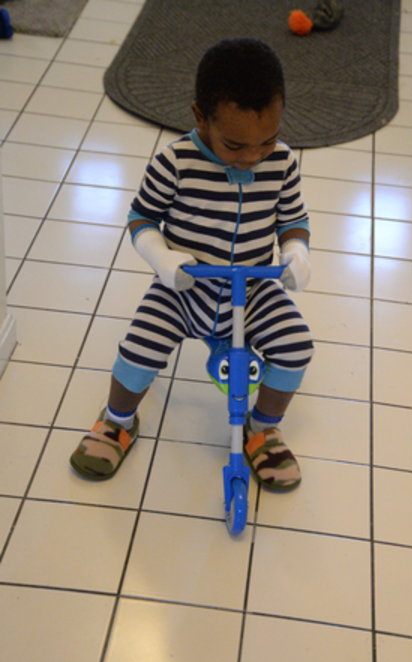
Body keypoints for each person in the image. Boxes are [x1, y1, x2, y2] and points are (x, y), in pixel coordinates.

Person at [70, 38, 314, 491]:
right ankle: (117, 420)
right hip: (184, 288)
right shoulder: (174, 162)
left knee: (297, 346)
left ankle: (262, 428)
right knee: (139, 347)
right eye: (235, 145)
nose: (252, 156)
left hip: (254, 289)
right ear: (201, 117)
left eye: (267, 140)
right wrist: (161, 258)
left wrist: (297, 252)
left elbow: (293, 220)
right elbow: (142, 218)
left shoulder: (281, 163)